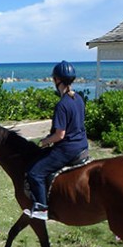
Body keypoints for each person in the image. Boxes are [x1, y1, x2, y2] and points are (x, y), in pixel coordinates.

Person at [25, 61, 89, 221]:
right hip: (82, 145)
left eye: (54, 79)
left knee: (35, 173)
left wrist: (44, 141)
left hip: (67, 149)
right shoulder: (78, 98)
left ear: (57, 80)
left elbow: (60, 135)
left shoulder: (62, 104)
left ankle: (41, 208)